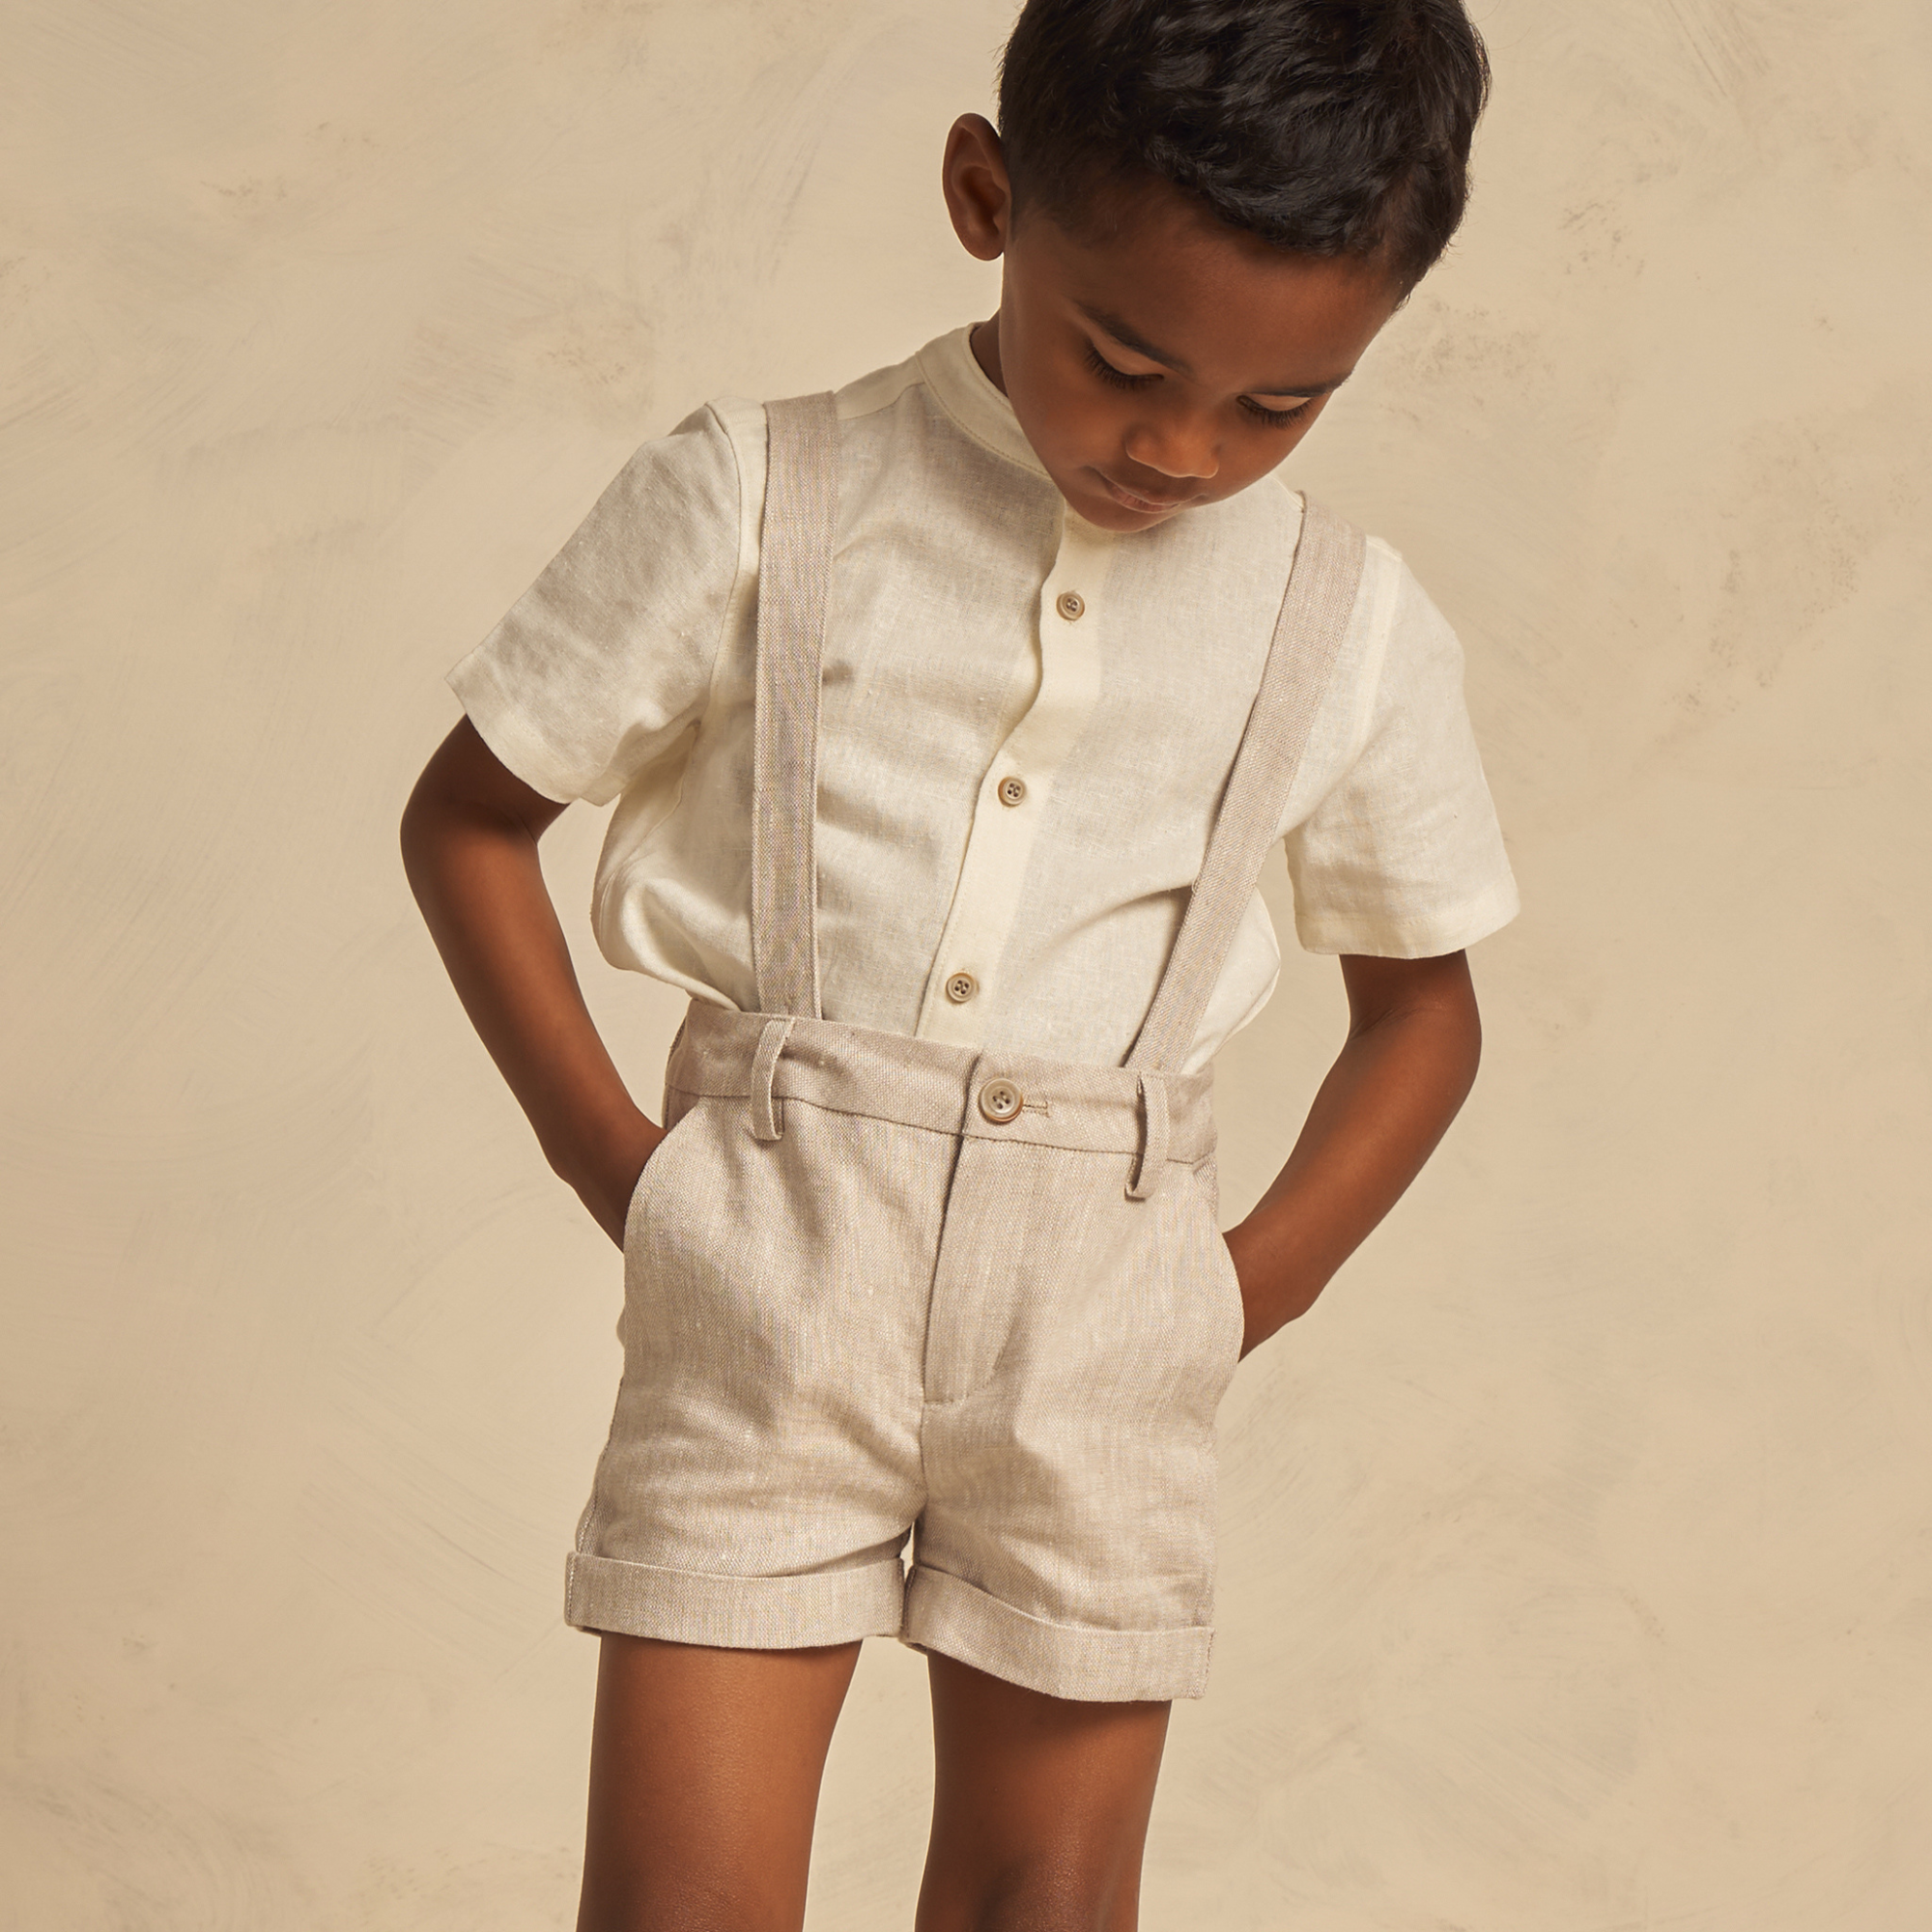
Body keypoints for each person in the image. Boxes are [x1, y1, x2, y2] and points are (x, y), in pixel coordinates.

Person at [400, 1, 1515, 1925]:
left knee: (1044, 1900)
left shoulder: (1347, 620)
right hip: (769, 1262)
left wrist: (1229, 1296)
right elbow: (470, 821)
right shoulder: (758, 491)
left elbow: (1426, 1008)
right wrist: (634, 1175)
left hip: (1107, 1305)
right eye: (1125, 361)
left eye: (1279, 405)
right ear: (985, 196)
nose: (1180, 450)